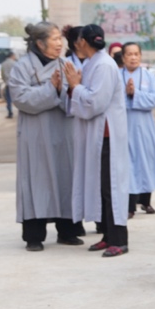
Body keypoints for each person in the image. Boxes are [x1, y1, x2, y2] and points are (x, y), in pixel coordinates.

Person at [9, 22, 81, 250]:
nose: (60, 44)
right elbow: (21, 98)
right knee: (35, 180)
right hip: (36, 133)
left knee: (65, 178)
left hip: (63, 131)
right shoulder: (22, 66)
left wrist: (68, 88)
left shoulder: (66, 65)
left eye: (61, 39)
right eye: (55, 39)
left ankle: (67, 231)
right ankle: (34, 235)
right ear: (40, 43)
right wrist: (51, 89)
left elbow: (75, 96)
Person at [64, 24, 131, 257]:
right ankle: (107, 236)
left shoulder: (104, 65)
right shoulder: (92, 63)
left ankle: (119, 240)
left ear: (82, 42)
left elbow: (95, 103)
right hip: (97, 135)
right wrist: (75, 87)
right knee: (101, 187)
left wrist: (75, 86)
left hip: (107, 135)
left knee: (111, 187)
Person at [120, 42, 155, 218]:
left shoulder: (148, 76)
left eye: (136, 54)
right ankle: (129, 206)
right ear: (123, 57)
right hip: (124, 126)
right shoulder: (117, 76)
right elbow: (111, 99)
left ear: (140, 56)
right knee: (128, 165)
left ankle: (146, 201)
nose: (133, 57)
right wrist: (126, 94)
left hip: (144, 127)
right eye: (129, 54)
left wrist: (135, 94)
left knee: (145, 162)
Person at [0, 52, 17, 119]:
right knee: (19, 98)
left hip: (8, 83)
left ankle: (10, 113)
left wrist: (5, 81)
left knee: (8, 99)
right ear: (12, 56)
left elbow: (2, 74)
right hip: (16, 84)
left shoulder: (3, 64)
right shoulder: (15, 63)